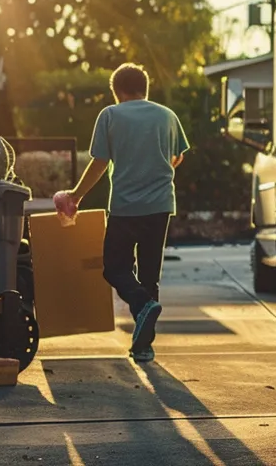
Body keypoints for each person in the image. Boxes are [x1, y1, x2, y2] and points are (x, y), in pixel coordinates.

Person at [54, 63, 189, 363]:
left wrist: (75, 195)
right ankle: (144, 347)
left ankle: (142, 306)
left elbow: (99, 163)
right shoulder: (167, 116)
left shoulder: (111, 115)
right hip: (160, 206)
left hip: (126, 207)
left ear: (116, 91)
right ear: (146, 88)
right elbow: (176, 158)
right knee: (149, 275)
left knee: (114, 268)